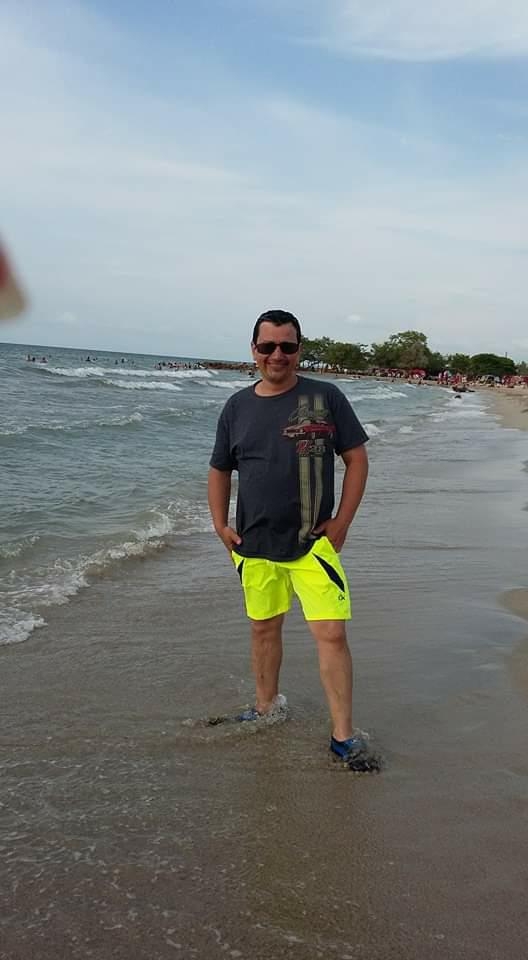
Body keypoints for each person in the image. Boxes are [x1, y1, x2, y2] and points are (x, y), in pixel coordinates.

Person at [208, 309, 377, 771]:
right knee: (263, 628)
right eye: (267, 346)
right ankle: (265, 707)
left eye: (287, 346)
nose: (277, 355)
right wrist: (220, 524)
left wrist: (342, 521)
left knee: (332, 633)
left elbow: (357, 459)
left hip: (312, 543)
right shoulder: (237, 407)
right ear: (254, 351)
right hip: (254, 544)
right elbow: (220, 468)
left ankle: (343, 736)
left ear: (299, 349)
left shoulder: (325, 397)